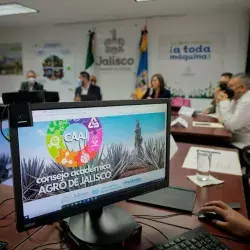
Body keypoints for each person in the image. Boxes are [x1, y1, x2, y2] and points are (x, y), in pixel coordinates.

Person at [216, 73, 250, 149]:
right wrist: (219, 102)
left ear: (241, 88)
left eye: (230, 86)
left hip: (243, 147)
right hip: (233, 140)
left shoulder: (247, 102)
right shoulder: (236, 98)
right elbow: (221, 119)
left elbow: (230, 125)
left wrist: (224, 102)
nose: (226, 89)